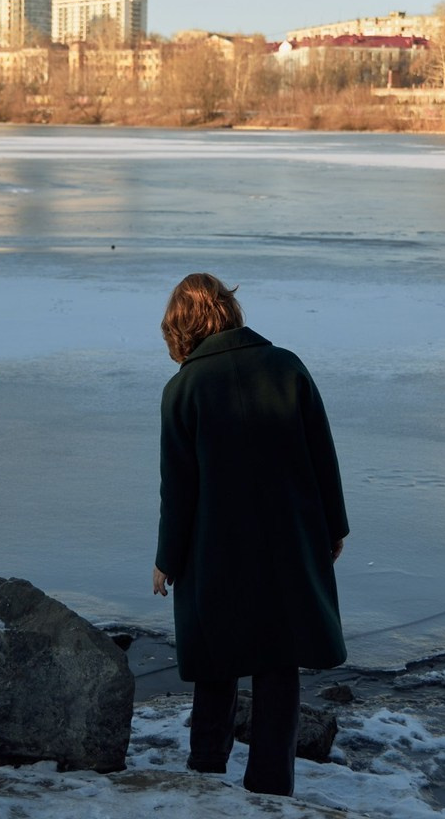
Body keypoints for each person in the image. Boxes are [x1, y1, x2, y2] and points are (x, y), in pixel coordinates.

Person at [152, 272, 349, 796]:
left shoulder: (183, 389)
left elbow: (180, 489)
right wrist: (333, 527)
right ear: (228, 311)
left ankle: (207, 771)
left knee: (217, 655)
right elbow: (322, 457)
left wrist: (167, 559)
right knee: (278, 661)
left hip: (214, 549)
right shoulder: (287, 367)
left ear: (181, 328)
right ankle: (270, 783)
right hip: (289, 542)